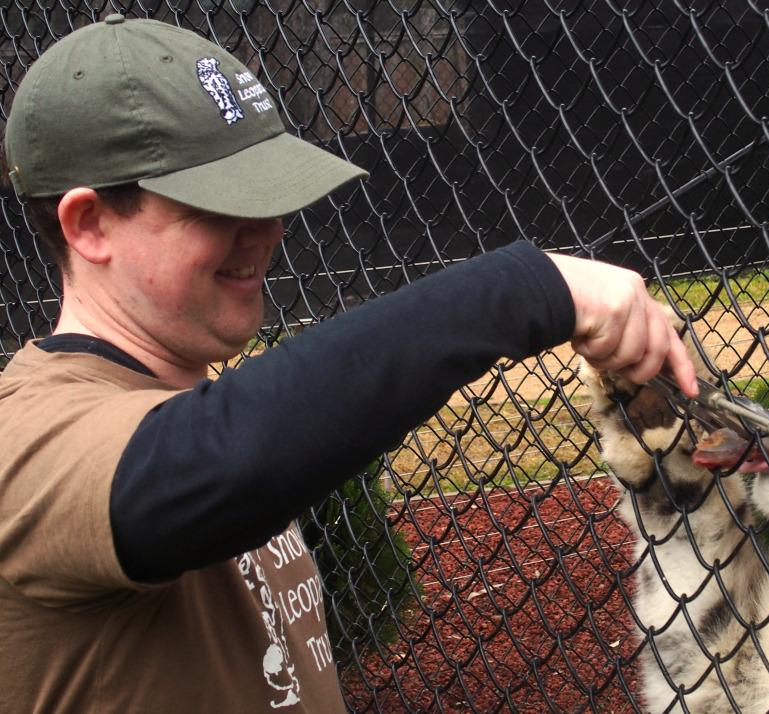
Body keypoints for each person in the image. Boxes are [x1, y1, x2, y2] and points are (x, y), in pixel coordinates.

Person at [0, 15, 697, 713]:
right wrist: (523, 290)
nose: (268, 230)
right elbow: (212, 461)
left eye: (270, 197)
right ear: (89, 225)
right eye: (219, 205)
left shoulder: (190, 407)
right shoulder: (26, 436)